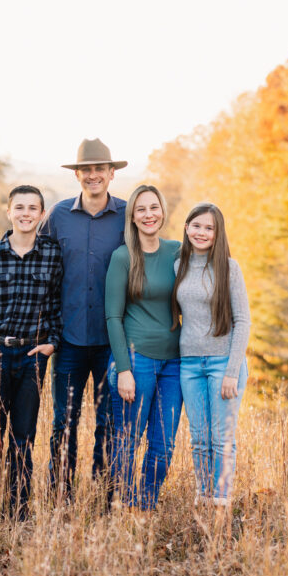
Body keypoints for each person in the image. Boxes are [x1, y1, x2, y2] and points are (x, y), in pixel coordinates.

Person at [0, 139, 127, 500]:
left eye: (99, 169)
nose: (93, 175)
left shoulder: (127, 214)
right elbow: (24, 248)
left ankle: (106, 497)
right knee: (64, 422)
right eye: (86, 170)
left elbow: (151, 247)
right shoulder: (57, 215)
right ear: (77, 175)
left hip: (111, 339)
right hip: (69, 339)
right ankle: (62, 495)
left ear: (110, 173)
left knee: (109, 422)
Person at [0, 185, 63, 520]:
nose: (26, 214)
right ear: (9, 212)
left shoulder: (51, 254)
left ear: (42, 214)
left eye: (33, 208)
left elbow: (59, 305)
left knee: (23, 438)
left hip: (32, 356)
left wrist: (52, 343)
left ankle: (18, 511)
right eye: (19, 207)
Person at [105, 185, 182, 510]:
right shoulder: (124, 256)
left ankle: (146, 505)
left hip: (175, 364)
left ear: (162, 211)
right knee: (128, 440)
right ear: (133, 217)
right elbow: (112, 316)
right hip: (137, 361)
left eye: (154, 208)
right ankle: (122, 505)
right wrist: (123, 368)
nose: (149, 215)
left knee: (163, 445)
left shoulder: (178, 251)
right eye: (141, 210)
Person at [171, 203, 250, 507]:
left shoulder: (229, 268)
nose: (201, 232)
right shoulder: (178, 266)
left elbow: (243, 321)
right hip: (189, 364)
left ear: (218, 234)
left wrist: (232, 372)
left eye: (209, 228)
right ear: (187, 228)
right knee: (199, 439)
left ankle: (221, 500)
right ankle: (203, 497)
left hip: (223, 364)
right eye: (196, 226)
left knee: (222, 439)